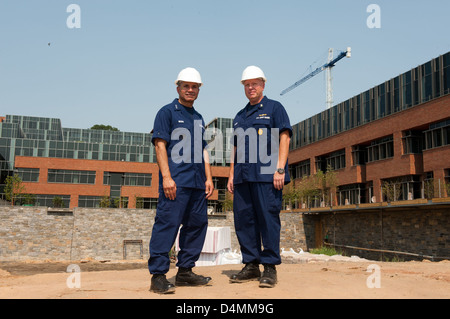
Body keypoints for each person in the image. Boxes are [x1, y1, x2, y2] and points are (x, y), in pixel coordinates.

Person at [148, 67, 214, 294]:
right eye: (186, 86)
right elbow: (159, 145)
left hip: (197, 183)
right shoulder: (166, 112)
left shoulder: (198, 117)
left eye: (194, 86)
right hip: (176, 182)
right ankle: (158, 276)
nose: (190, 90)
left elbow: (203, 150)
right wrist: (166, 177)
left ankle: (185, 271)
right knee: (167, 225)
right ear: (178, 87)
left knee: (197, 226)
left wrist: (208, 177)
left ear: (199, 90)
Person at [227, 66, 292, 288]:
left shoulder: (275, 108)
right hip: (243, 178)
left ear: (263, 84)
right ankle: (251, 265)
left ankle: (270, 268)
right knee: (244, 221)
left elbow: (284, 137)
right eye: (247, 84)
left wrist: (280, 168)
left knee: (268, 220)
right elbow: (235, 148)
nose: (251, 87)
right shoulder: (239, 116)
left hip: (267, 176)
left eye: (255, 83)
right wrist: (230, 175)